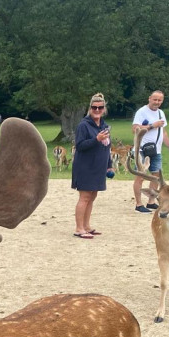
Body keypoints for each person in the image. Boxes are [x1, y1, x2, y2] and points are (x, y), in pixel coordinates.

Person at [71, 93, 114, 239]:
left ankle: (86, 225)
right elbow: (80, 145)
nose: (97, 110)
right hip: (85, 166)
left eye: (100, 107)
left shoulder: (104, 125)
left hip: (99, 167)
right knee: (84, 197)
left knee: (92, 196)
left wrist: (109, 165)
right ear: (90, 108)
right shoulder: (83, 125)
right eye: (94, 107)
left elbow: (107, 146)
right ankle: (79, 228)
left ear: (104, 109)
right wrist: (96, 139)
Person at [131, 90, 169, 213]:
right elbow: (135, 128)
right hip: (141, 149)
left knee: (156, 177)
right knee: (141, 176)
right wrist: (152, 125)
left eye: (159, 100)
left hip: (156, 150)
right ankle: (138, 204)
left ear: (162, 101)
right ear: (149, 98)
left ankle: (151, 202)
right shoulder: (141, 112)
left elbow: (163, 132)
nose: (157, 102)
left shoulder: (161, 113)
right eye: (155, 99)